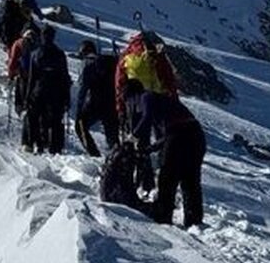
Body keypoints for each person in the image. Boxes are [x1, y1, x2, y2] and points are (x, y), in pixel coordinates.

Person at [124, 81, 207, 227]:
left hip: (179, 136)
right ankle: (194, 222)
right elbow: (167, 135)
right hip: (196, 135)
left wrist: (133, 136)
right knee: (190, 181)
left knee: (168, 178)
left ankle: (163, 218)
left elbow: (147, 117)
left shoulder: (145, 96)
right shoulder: (164, 102)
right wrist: (151, 148)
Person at [24, 24, 71, 154]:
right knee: (55, 120)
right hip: (56, 92)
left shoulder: (35, 54)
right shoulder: (60, 54)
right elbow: (64, 77)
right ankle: (55, 147)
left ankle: (34, 143)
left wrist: (28, 96)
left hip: (38, 90)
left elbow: (31, 78)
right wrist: (67, 97)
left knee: (34, 117)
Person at [115, 30, 178, 125]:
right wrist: (175, 103)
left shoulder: (126, 57)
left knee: (138, 133)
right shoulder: (157, 56)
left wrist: (121, 108)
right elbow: (169, 80)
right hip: (157, 100)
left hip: (135, 103)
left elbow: (119, 84)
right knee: (161, 132)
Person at [74, 39, 119, 157]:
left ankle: (94, 154)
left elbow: (83, 88)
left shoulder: (87, 64)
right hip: (112, 103)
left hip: (94, 103)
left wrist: (79, 109)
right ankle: (118, 158)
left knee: (80, 126)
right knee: (112, 135)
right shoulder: (110, 62)